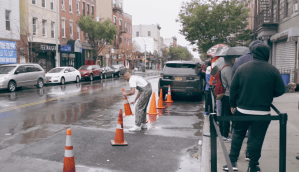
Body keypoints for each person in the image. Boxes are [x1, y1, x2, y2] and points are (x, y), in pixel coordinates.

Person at [223, 44, 285, 172]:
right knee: (257, 138)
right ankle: (253, 165)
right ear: (266, 54)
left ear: (254, 53)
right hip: (262, 112)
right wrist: (268, 94)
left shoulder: (242, 68)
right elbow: (280, 90)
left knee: (238, 135)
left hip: (242, 110)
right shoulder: (272, 70)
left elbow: (233, 88)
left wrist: (233, 104)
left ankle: (232, 162)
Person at [231, 40, 265, 161]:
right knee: (254, 132)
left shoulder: (240, 60)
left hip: (242, 101)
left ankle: (233, 160)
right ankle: (249, 155)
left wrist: (233, 102)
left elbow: (233, 81)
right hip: (260, 103)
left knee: (238, 132)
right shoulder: (264, 61)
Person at [217, 55, 236, 142]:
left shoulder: (223, 67)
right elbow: (231, 84)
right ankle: (225, 135)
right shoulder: (228, 69)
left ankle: (222, 133)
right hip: (228, 95)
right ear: (229, 58)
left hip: (224, 95)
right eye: (233, 57)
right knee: (227, 116)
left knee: (224, 115)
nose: (234, 59)